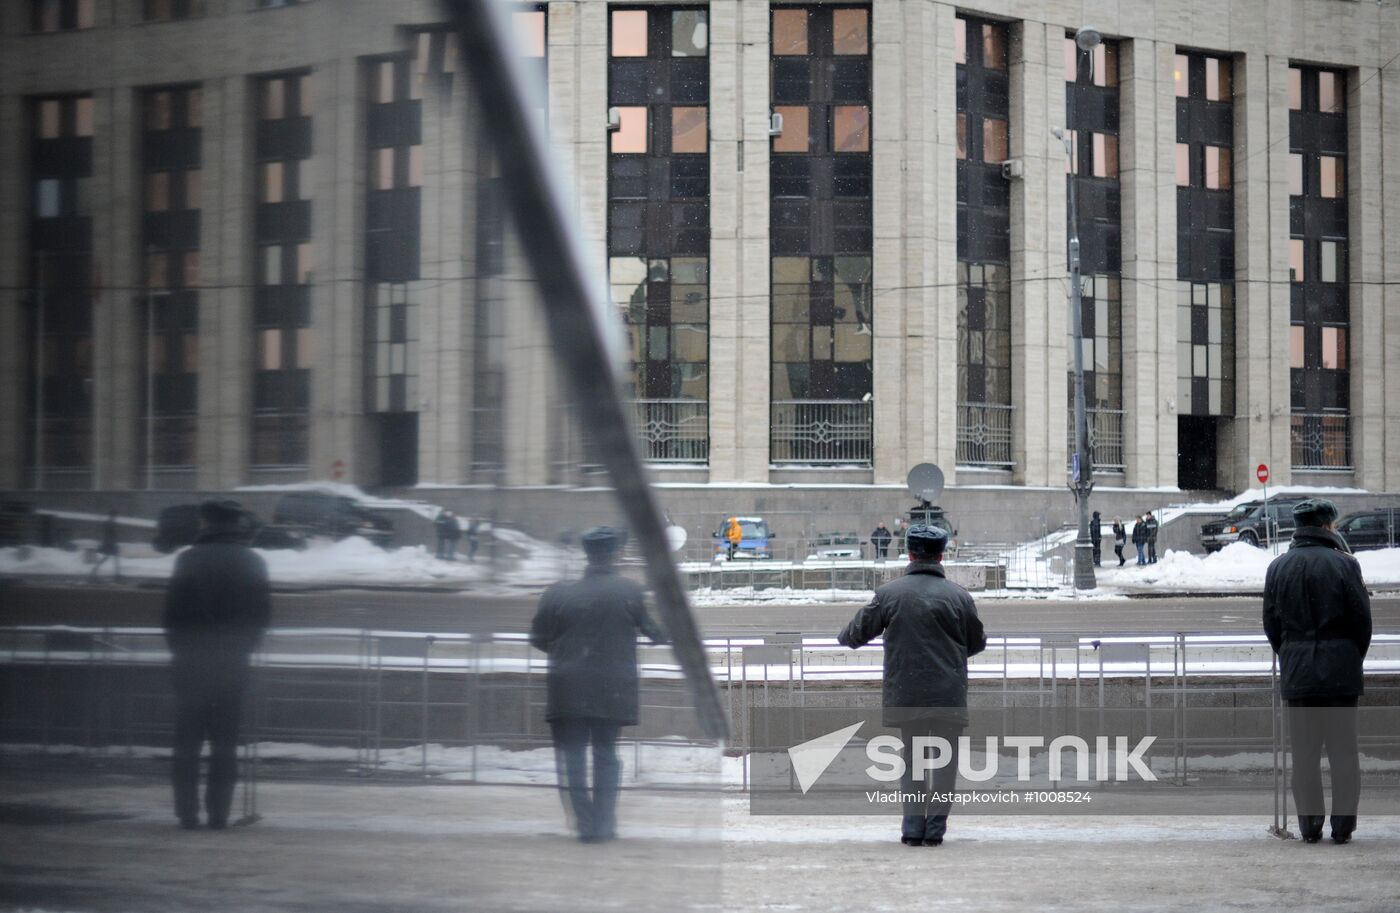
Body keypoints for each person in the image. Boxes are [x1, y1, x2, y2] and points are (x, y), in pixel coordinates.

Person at [837, 524, 986, 847]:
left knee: (913, 760)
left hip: (908, 693)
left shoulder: (890, 594)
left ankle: (912, 829)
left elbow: (854, 635)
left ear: (910, 553)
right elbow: (976, 643)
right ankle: (935, 832)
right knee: (945, 763)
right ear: (942, 555)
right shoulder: (960, 597)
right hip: (948, 693)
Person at [530, 527, 668, 843]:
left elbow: (538, 639)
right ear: (615, 554)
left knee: (573, 758)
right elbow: (655, 633)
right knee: (606, 754)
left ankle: (585, 824)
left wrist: (569, 652)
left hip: (568, 687)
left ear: (586, 554)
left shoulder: (558, 593)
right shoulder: (629, 591)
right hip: (612, 688)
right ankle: (604, 825)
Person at [1263, 498, 1372, 845]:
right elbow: (1362, 624)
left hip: (1299, 677)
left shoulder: (1279, 567)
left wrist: (1293, 654)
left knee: (1305, 756)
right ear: (1327, 526)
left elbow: (1272, 626)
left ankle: (1310, 827)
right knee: (1344, 754)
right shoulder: (1345, 566)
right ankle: (1343, 828)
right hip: (1340, 676)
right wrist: (1347, 657)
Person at [162, 499, 271, 830]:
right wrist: (241, 649)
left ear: (206, 524)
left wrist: (184, 651)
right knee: (225, 745)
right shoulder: (252, 561)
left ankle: (187, 814)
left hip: (192, 666)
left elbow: (172, 617)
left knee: (186, 744)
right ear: (236, 525)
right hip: (231, 667)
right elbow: (260, 617)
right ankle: (219, 814)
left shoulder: (187, 560)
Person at [90, 509, 122, 581]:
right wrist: (112, 542)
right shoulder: (110, 523)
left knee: (112, 558)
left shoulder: (110, 523)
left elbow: (110, 534)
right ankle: (117, 574)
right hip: (109, 543)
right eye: (115, 516)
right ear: (112, 516)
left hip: (109, 543)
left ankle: (95, 570)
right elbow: (110, 534)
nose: (115, 517)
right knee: (111, 558)